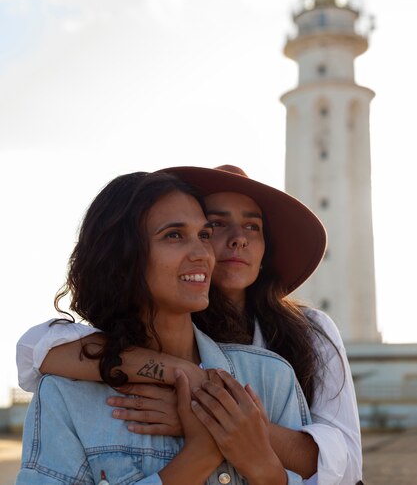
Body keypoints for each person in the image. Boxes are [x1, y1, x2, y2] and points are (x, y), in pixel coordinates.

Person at [17, 166, 362, 484]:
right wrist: (189, 382)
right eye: (175, 234)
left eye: (202, 233)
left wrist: (221, 420)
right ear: (124, 255)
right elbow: (38, 348)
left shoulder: (280, 365)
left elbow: (343, 463)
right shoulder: (67, 391)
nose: (208, 248)